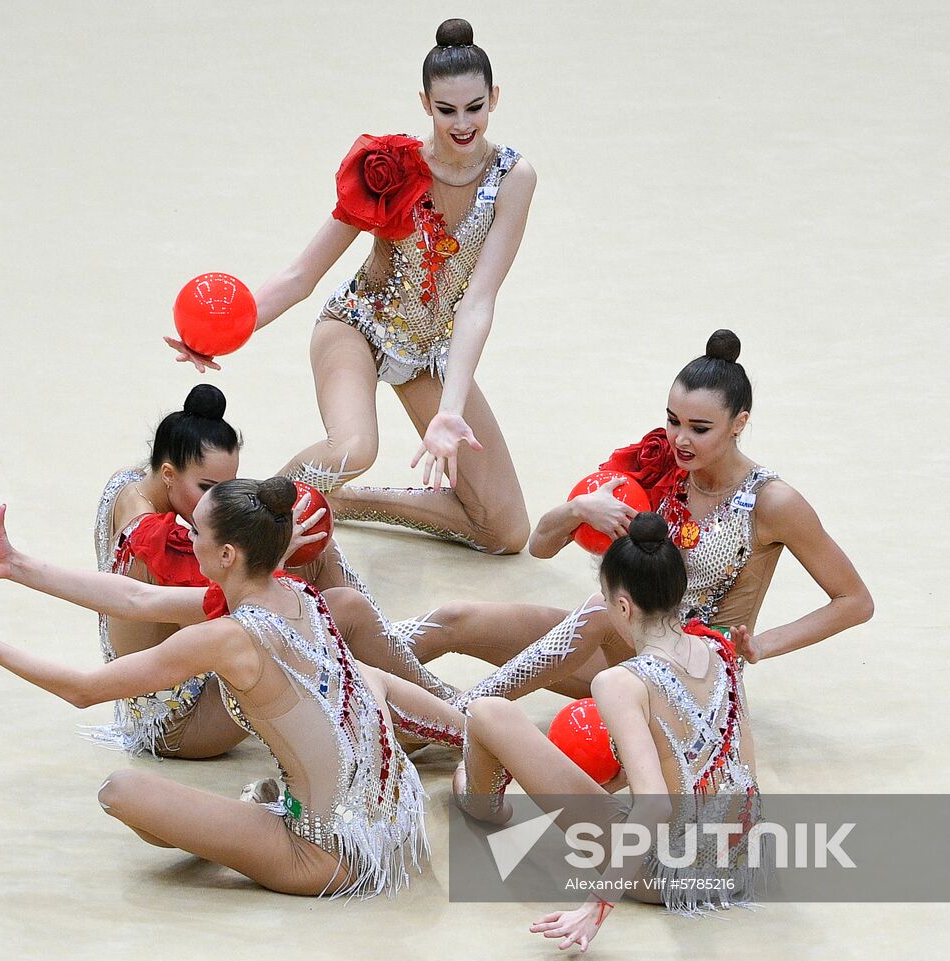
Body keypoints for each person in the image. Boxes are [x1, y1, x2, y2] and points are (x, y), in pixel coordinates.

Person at [0, 478, 448, 897]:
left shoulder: (226, 637)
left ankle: (257, 828)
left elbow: (83, 690)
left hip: (323, 855)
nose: (183, 533)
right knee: (363, 683)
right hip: (393, 822)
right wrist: (13, 564)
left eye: (194, 529)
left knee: (122, 793)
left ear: (226, 555)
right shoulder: (293, 595)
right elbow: (137, 601)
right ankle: (465, 731)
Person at [165, 18, 536, 553]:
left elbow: (478, 303)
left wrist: (449, 411)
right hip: (358, 326)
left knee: (504, 532)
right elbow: (302, 274)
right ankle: (242, 520)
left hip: (431, 349)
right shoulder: (390, 166)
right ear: (425, 102)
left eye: (474, 107)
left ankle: (336, 501)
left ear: (494, 98)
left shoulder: (513, 178)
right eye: (446, 109)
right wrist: (222, 336)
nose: (462, 124)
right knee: (355, 448)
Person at [399, 330, 875, 705]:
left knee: (596, 609)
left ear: (740, 423)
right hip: (629, 642)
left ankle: (454, 717)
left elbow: (854, 600)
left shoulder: (772, 502)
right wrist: (578, 509)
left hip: (696, 673)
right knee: (455, 619)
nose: (680, 439)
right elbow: (541, 546)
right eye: (673, 420)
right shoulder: (659, 467)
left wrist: (762, 645)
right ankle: (354, 667)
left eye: (699, 428)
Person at [91, 384, 457, 757]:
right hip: (178, 725)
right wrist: (278, 555)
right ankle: (444, 709)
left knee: (317, 560)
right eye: (207, 487)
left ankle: (407, 684)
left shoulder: (128, 484)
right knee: (342, 604)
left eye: (228, 485)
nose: (217, 499)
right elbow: (254, 611)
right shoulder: (161, 541)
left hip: (174, 683)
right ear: (168, 473)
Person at [456, 514, 761, 947]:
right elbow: (732, 764)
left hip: (670, 874)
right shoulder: (720, 647)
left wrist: (595, 907)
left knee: (487, 713)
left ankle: (482, 803)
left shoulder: (619, 682)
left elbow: (654, 804)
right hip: (742, 860)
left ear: (622, 607)